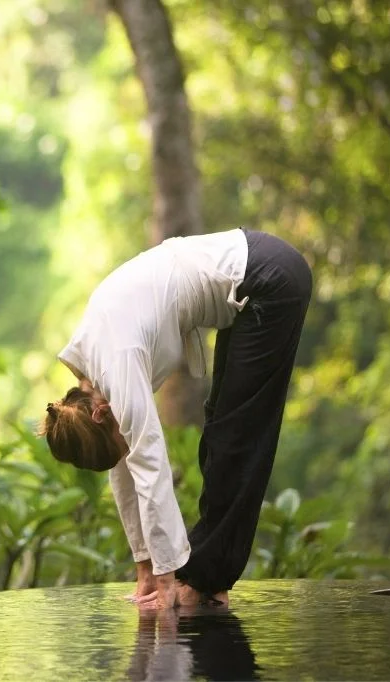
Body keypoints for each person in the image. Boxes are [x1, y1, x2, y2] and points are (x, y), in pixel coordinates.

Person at [41, 227, 311, 609]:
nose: (124, 442)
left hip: (268, 280)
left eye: (117, 440)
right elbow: (125, 468)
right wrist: (145, 567)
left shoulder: (116, 361)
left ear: (101, 415)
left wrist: (166, 579)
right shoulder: (95, 384)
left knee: (236, 440)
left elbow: (149, 463)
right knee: (220, 433)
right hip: (255, 283)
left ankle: (205, 581)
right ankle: (204, 578)